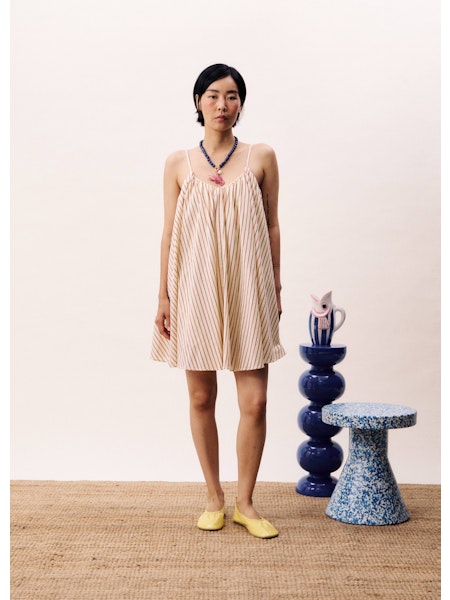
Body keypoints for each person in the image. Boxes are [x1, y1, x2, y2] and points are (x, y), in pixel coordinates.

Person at [151, 64, 285, 539]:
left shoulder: (261, 157)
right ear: (198, 102)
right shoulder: (179, 163)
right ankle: (213, 497)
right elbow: (169, 233)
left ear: (240, 104)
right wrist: (164, 295)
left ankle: (245, 503)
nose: (222, 105)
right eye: (212, 95)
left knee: (256, 401)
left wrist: (275, 286)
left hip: (250, 287)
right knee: (201, 396)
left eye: (231, 96)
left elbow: (272, 225)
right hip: (194, 290)